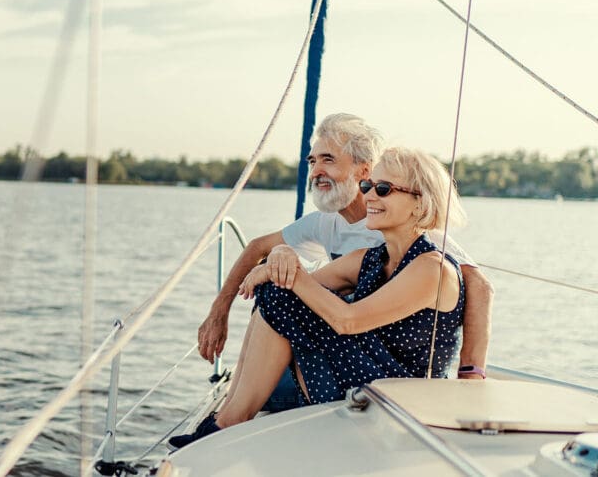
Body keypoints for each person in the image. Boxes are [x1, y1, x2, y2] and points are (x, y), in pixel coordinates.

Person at [171, 145, 467, 447]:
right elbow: (294, 289)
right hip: (369, 379)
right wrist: (281, 258)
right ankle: (229, 416)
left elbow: (348, 321)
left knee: (283, 293)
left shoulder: (432, 269)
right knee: (278, 294)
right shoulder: (371, 259)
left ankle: (229, 422)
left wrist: (289, 271)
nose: (369, 197)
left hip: (405, 399)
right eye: (367, 186)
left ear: (420, 204)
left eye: (383, 188)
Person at [196, 115, 492, 414]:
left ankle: (231, 415)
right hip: (350, 351)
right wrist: (220, 310)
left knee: (267, 378)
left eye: (328, 159)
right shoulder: (331, 225)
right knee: (274, 296)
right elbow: (260, 248)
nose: (315, 171)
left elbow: (478, 286)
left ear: (362, 168)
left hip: (384, 366)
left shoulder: (419, 235)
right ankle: (228, 415)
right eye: (312, 162)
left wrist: (470, 376)